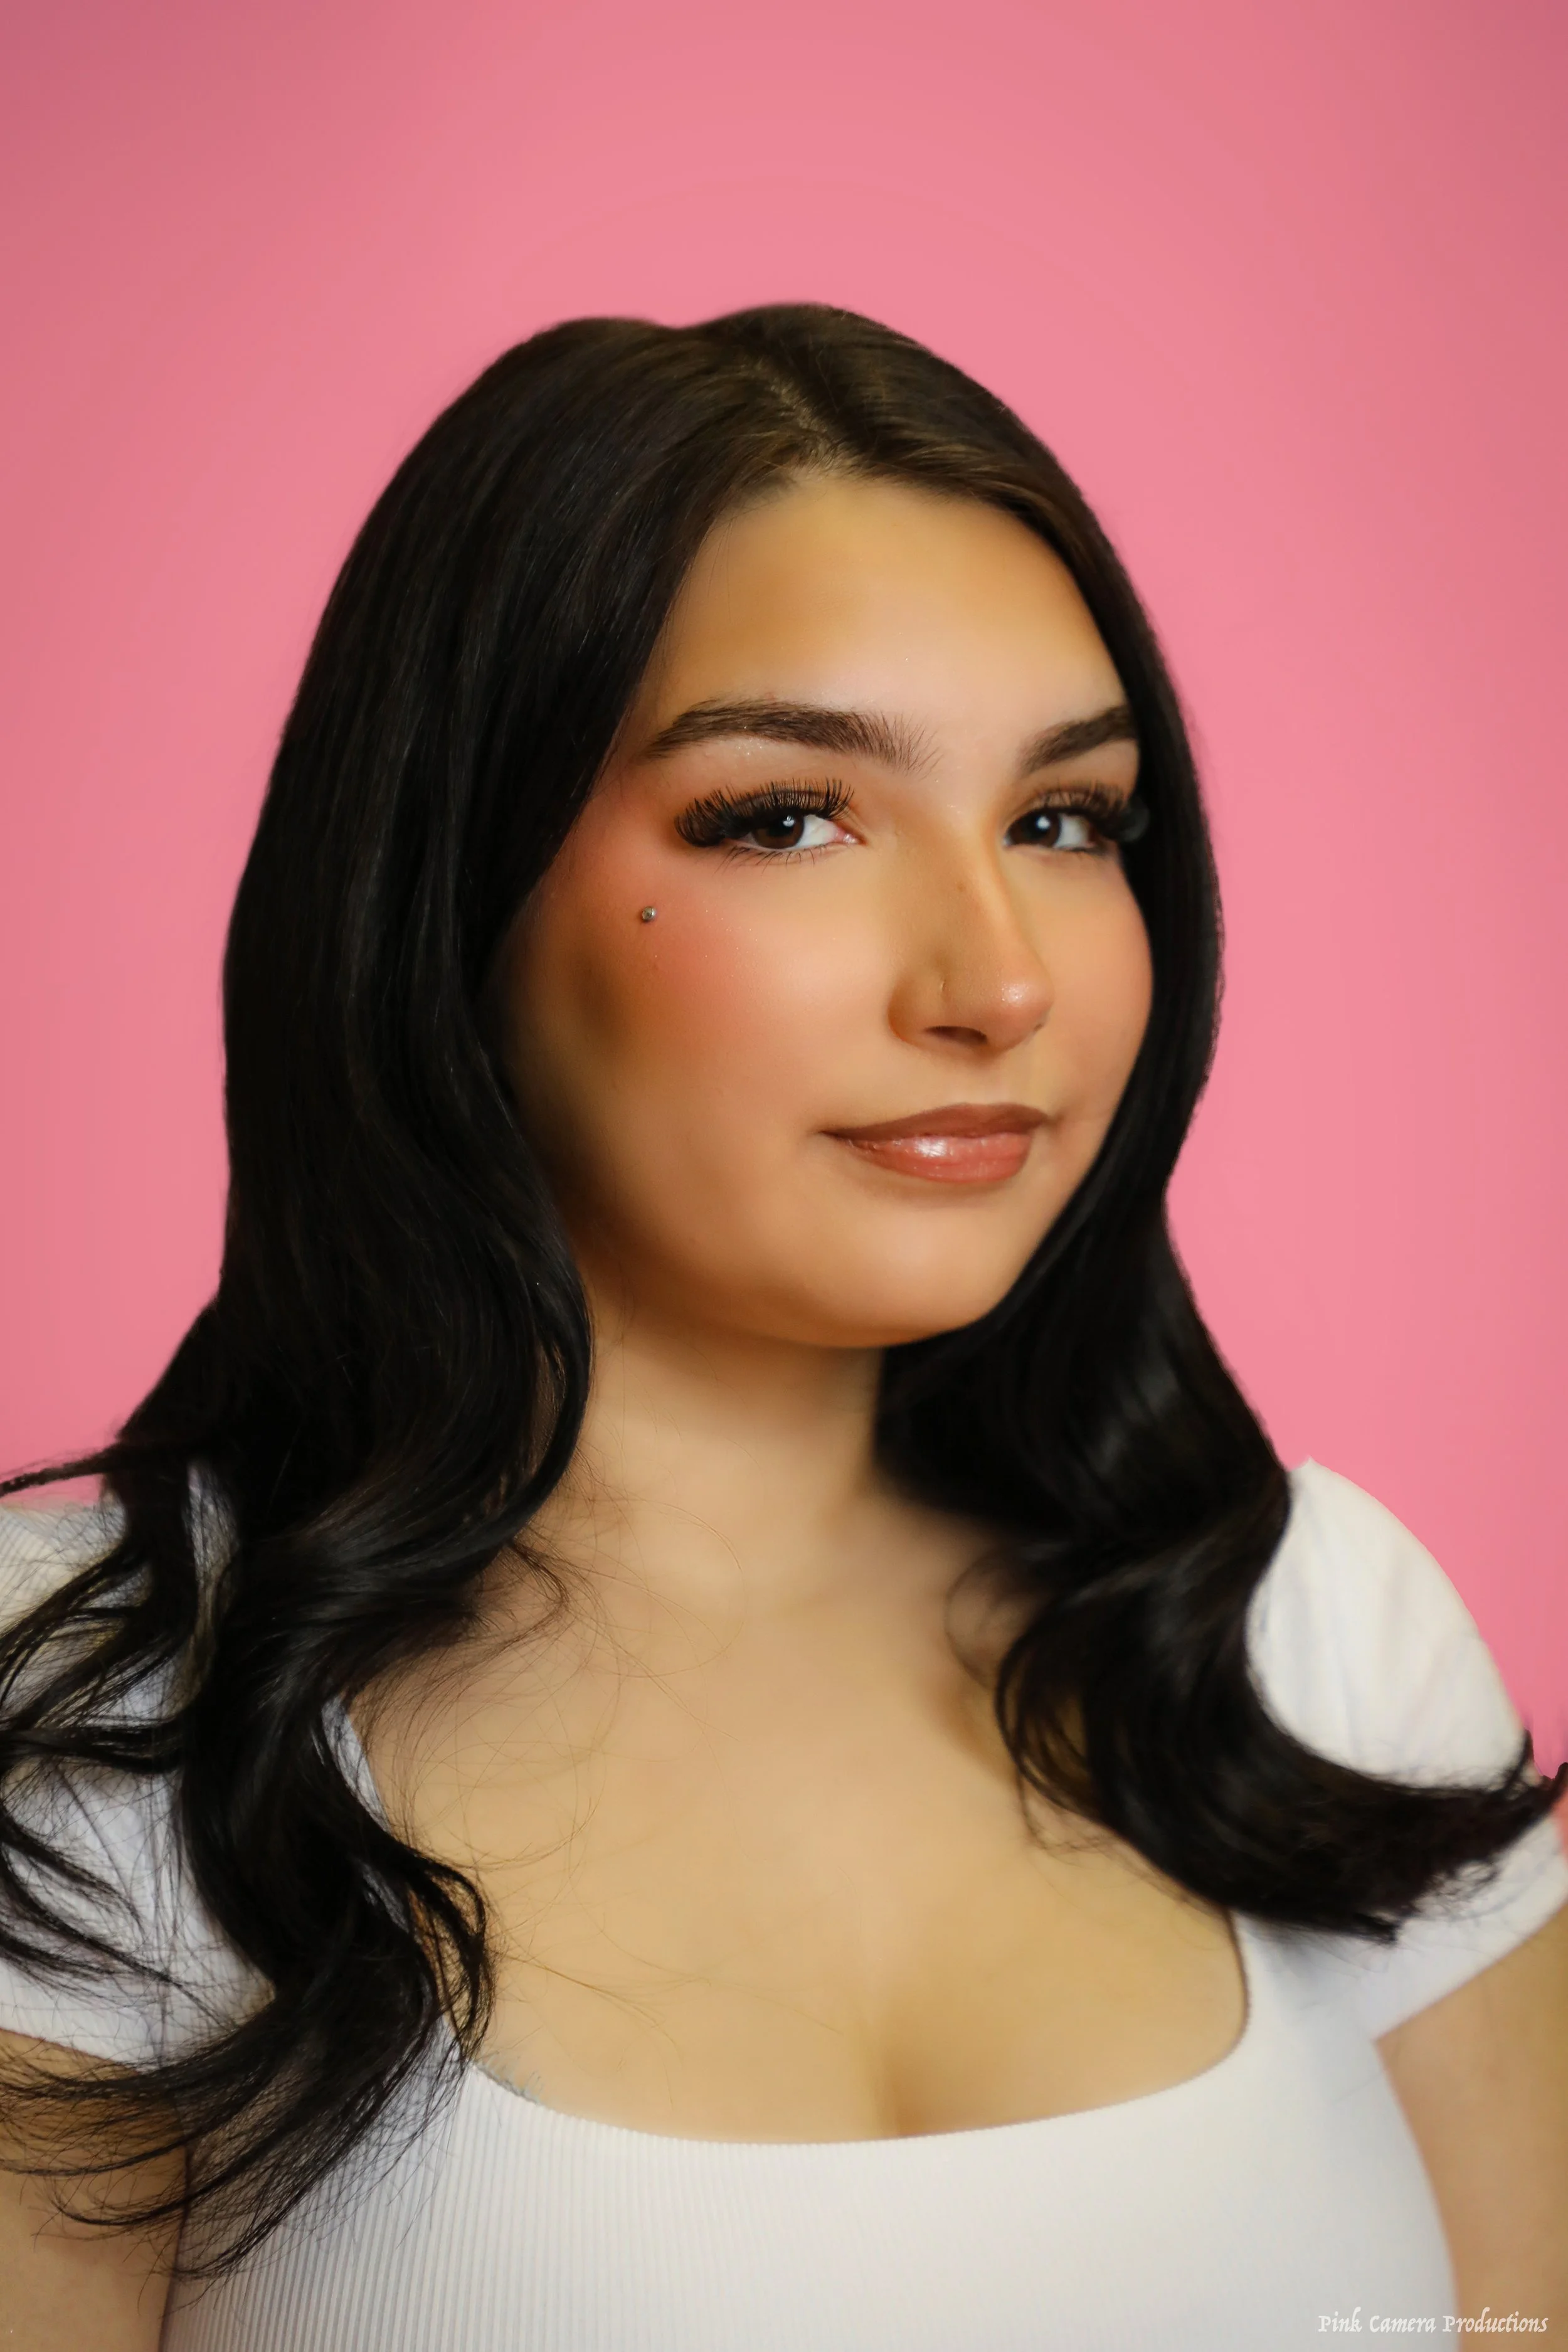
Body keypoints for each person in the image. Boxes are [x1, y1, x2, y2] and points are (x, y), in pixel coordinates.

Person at [1, 305, 1564, 2352]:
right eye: (785, 814)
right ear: (446, 887)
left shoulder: (1306, 1638)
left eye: (1067, 820)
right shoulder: (93, 1716)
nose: (996, 978)